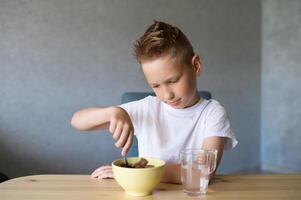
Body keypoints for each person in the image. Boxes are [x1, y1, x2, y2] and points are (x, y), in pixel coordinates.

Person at [71, 20, 238, 184]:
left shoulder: (213, 113)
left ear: (196, 66)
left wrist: (135, 172)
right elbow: (77, 121)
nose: (167, 95)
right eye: (156, 86)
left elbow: (202, 173)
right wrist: (112, 112)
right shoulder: (147, 108)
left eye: (173, 81)